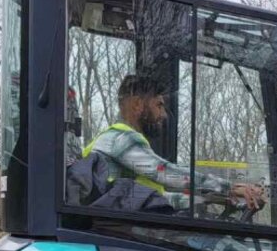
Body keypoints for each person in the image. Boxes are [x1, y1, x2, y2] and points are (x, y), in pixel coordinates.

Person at [82, 75, 263, 213]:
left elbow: (157, 198)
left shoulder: (113, 142)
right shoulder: (121, 138)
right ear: (137, 105)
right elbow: (166, 173)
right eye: (159, 105)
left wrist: (213, 199)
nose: (164, 115)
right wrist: (229, 187)